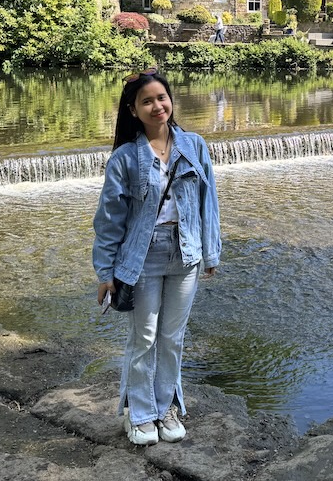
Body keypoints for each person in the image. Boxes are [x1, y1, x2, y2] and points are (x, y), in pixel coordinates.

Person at [93, 68, 221, 446]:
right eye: (146, 101)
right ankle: (140, 414)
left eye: (161, 98)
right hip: (142, 256)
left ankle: (166, 408)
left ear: (171, 100)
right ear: (133, 110)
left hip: (186, 252)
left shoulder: (194, 145)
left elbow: (208, 201)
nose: (157, 106)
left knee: (172, 337)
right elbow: (110, 219)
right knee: (144, 337)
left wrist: (211, 251)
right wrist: (105, 272)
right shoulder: (125, 159)